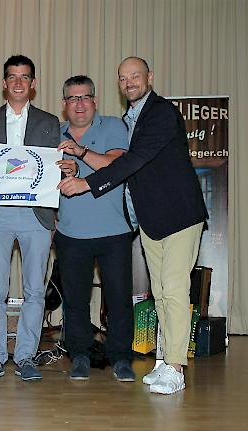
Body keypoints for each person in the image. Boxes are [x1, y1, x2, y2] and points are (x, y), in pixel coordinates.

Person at [58, 57, 208, 394]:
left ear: (149, 77)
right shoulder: (131, 118)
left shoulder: (160, 113)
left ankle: (175, 366)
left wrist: (87, 183)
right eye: (124, 78)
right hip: (151, 219)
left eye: (135, 76)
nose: (129, 82)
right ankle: (164, 362)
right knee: (161, 294)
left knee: (173, 290)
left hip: (179, 215)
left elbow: (132, 161)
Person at [0, 55, 60, 381]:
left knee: (34, 290)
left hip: (37, 216)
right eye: (13, 77)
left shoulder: (51, 122)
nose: (19, 83)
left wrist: (52, 217)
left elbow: (53, 172)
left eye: (25, 77)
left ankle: (25, 357)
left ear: (33, 84)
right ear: (4, 83)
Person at [55, 75, 136, 382]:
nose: (79, 104)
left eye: (85, 97)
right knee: (75, 300)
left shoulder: (114, 126)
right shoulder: (53, 134)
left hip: (113, 230)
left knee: (118, 297)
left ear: (95, 101)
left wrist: (80, 154)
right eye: (73, 98)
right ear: (64, 104)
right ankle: (79, 355)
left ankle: (120, 357)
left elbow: (117, 166)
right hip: (70, 232)